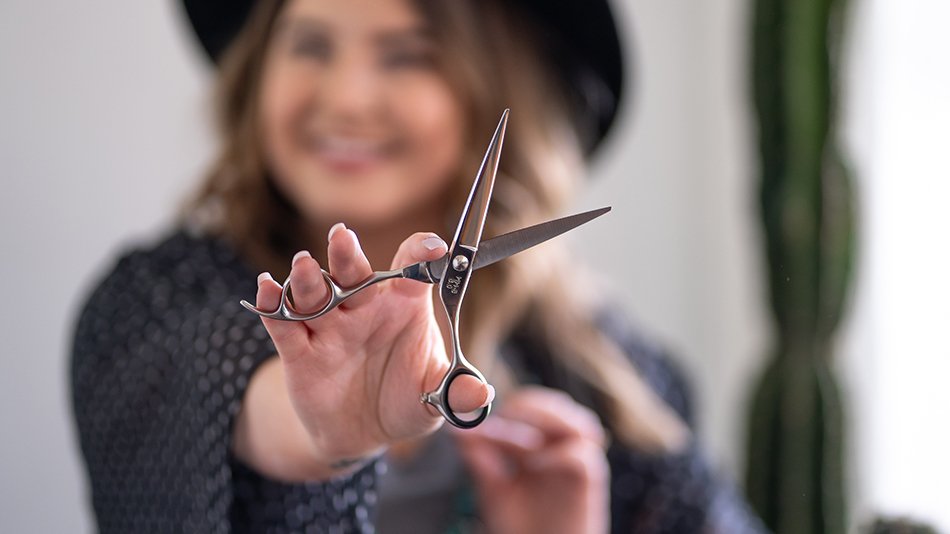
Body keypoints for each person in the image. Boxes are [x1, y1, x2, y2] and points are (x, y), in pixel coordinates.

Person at [71, 0, 767, 532]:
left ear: (494, 91)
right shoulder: (155, 304)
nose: (346, 97)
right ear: (258, 74)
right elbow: (210, 395)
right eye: (311, 44)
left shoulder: (606, 370)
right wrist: (324, 430)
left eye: (408, 54)